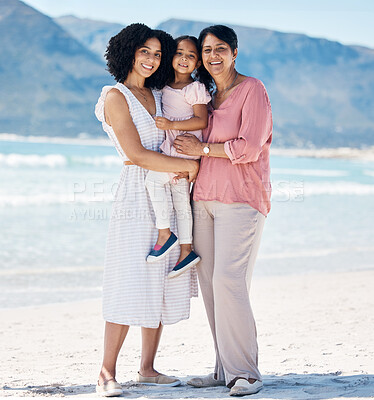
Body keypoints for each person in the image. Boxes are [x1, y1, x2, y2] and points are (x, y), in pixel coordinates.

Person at [94, 23, 199, 397]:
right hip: (137, 193)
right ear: (128, 52)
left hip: (170, 191)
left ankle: (148, 368)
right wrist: (187, 167)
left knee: (161, 277)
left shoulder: (158, 93)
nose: (152, 60)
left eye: (158, 53)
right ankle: (106, 372)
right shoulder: (115, 96)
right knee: (128, 277)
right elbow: (136, 154)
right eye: (145, 52)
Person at [174, 25, 273, 396]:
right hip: (203, 200)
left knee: (229, 282)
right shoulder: (208, 96)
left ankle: (246, 372)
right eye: (206, 51)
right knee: (211, 286)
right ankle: (223, 369)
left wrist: (199, 150)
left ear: (234, 52)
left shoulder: (253, 90)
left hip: (242, 200)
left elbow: (249, 147)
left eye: (220, 49)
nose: (212, 56)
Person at [145, 35, 211, 279]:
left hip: (183, 150)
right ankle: (186, 250)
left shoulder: (195, 88)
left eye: (191, 56)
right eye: (180, 53)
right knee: (182, 204)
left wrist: (171, 123)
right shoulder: (163, 86)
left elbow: (201, 120)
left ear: (198, 64)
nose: (184, 59)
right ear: (172, 56)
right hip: (172, 151)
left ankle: (165, 233)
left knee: (152, 181)